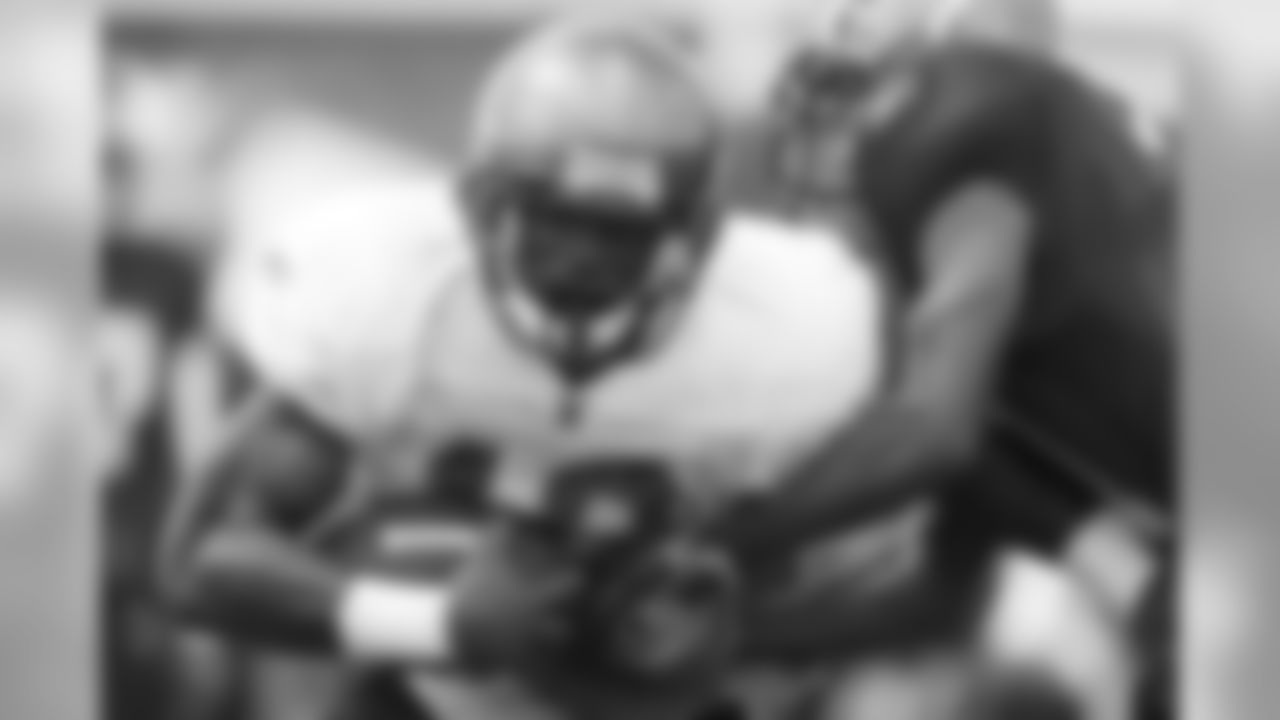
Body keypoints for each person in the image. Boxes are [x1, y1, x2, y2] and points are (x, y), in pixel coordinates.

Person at [157, 13, 894, 720]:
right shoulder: (391, 293)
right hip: (428, 699)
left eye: (621, 233)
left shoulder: (784, 330)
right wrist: (434, 622)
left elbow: (895, 581)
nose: (584, 261)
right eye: (557, 223)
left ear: (694, 234)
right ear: (484, 204)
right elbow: (201, 562)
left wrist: (739, 619)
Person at [713, 0, 1173, 717]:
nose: (816, 173)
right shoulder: (1003, 378)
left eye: (844, 106)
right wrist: (718, 634)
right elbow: (942, 603)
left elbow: (934, 431)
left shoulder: (967, 145)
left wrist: (713, 535)